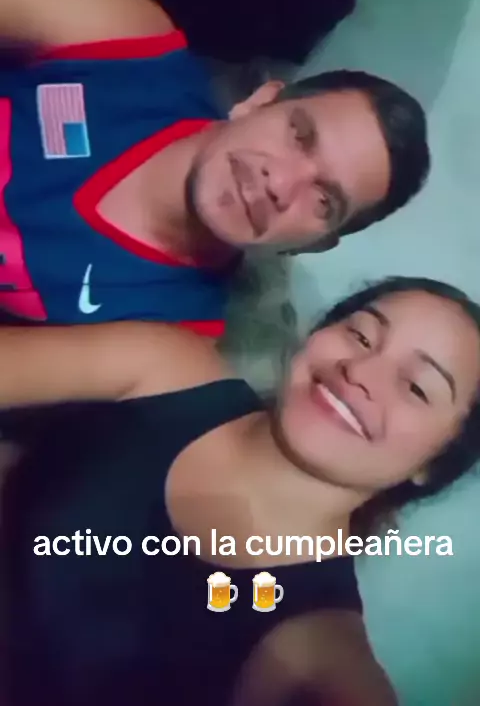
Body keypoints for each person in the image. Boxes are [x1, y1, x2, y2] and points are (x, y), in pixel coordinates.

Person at [2, 276, 480, 706]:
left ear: (434, 464)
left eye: (417, 388)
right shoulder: (164, 366)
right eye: (361, 335)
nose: (359, 372)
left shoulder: (317, 654)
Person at [0, 0, 429, 336]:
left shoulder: (174, 336)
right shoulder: (129, 43)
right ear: (259, 101)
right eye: (299, 135)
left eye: (324, 201)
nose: (280, 183)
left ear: (311, 245)